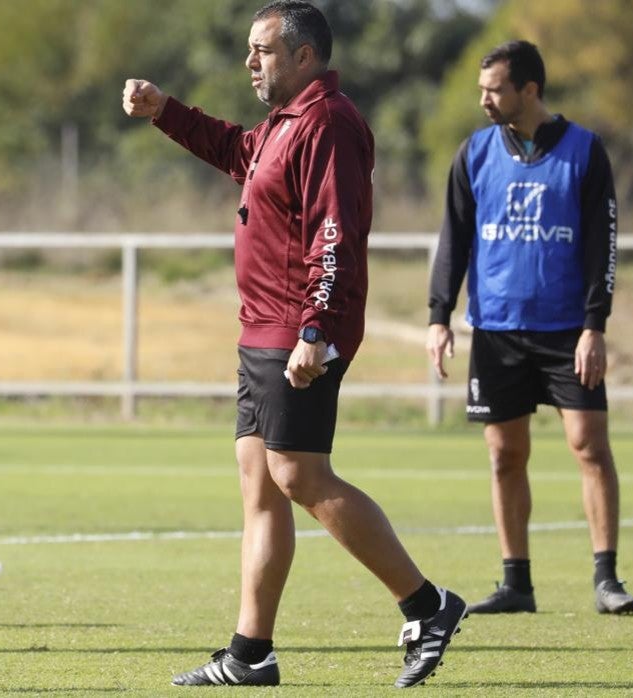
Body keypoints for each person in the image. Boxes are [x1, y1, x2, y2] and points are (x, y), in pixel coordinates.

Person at [123, 1, 465, 688]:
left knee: (298, 475)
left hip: (296, 329)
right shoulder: (285, 122)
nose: (250, 61)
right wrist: (166, 111)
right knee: (261, 484)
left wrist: (315, 328)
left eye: (264, 50)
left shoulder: (330, 122)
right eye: (250, 50)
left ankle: (428, 606)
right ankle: (251, 653)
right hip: (262, 328)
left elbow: (335, 233)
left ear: (305, 56)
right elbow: (236, 152)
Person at [427, 40, 633, 616]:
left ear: (529, 89)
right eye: (481, 89)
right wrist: (439, 316)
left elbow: (603, 245)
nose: (484, 100)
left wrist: (595, 325)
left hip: (568, 330)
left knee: (589, 445)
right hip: (496, 330)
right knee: (504, 454)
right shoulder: (474, 153)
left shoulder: (585, 151)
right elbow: (454, 239)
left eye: (495, 90)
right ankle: (515, 584)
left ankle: (607, 579)